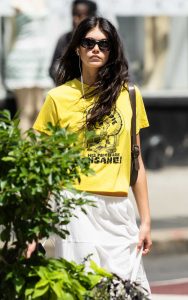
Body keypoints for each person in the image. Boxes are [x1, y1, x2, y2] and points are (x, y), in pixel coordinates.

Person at [32, 17, 152, 297]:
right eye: (89, 43)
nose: (96, 49)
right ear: (77, 48)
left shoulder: (130, 95)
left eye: (104, 44)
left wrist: (145, 220)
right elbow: (45, 165)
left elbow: (137, 161)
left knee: (129, 289)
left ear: (112, 50)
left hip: (118, 208)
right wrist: (35, 229)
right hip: (74, 207)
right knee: (82, 289)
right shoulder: (57, 98)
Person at [5, 0, 52, 133]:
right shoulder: (15, 3)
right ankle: (23, 152)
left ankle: (38, 151)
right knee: (26, 109)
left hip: (40, 59)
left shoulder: (43, 2)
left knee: (39, 109)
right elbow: (10, 33)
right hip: (22, 57)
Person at [49, 0, 97, 83]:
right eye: (73, 15)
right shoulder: (64, 39)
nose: (75, 19)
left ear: (91, 17)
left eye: (80, 15)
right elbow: (53, 69)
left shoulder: (105, 38)